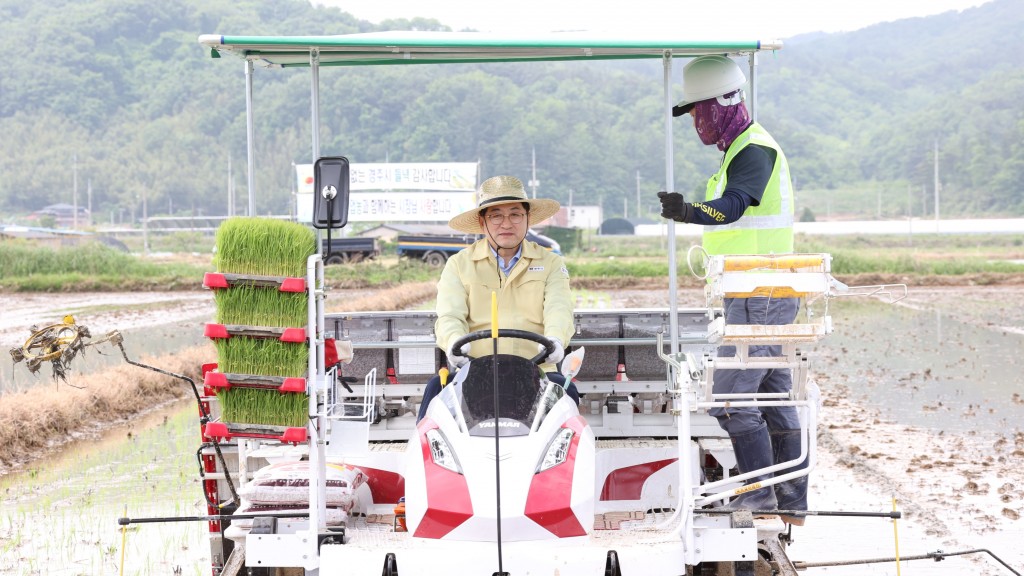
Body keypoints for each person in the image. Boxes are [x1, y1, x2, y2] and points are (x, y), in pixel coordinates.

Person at [658, 55, 807, 524]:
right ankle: (792, 498)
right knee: (773, 396)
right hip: (760, 291)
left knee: (731, 400)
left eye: (700, 109)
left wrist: (689, 211)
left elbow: (736, 205)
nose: (696, 121)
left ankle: (760, 493)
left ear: (725, 102)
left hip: (760, 294)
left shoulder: (753, 151)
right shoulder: (739, 150)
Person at [416, 175, 578, 422]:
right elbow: (450, 314)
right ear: (483, 222)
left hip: (537, 372)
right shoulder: (459, 264)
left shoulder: (550, 263)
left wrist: (556, 339)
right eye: (496, 216)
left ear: (527, 219)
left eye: (515, 214)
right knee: (435, 390)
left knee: (567, 394)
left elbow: (559, 308)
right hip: (474, 373)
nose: (507, 223)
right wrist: (454, 341)